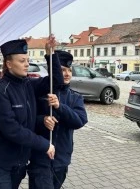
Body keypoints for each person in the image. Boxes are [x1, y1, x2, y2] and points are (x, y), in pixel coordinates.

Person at [0, 37, 64, 189]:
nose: (27, 64)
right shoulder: (1, 91)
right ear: (9, 64)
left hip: (19, 164)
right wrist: (44, 144)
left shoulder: (28, 85)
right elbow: (11, 129)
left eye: (28, 60)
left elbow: (56, 82)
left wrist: (50, 54)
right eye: (21, 61)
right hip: (0, 165)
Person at [28, 50, 88, 189]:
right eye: (62, 70)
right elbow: (29, 119)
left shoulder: (75, 97)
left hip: (61, 159)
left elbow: (79, 121)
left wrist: (60, 106)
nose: (67, 74)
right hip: (41, 158)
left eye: (69, 70)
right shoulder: (41, 92)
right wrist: (42, 120)